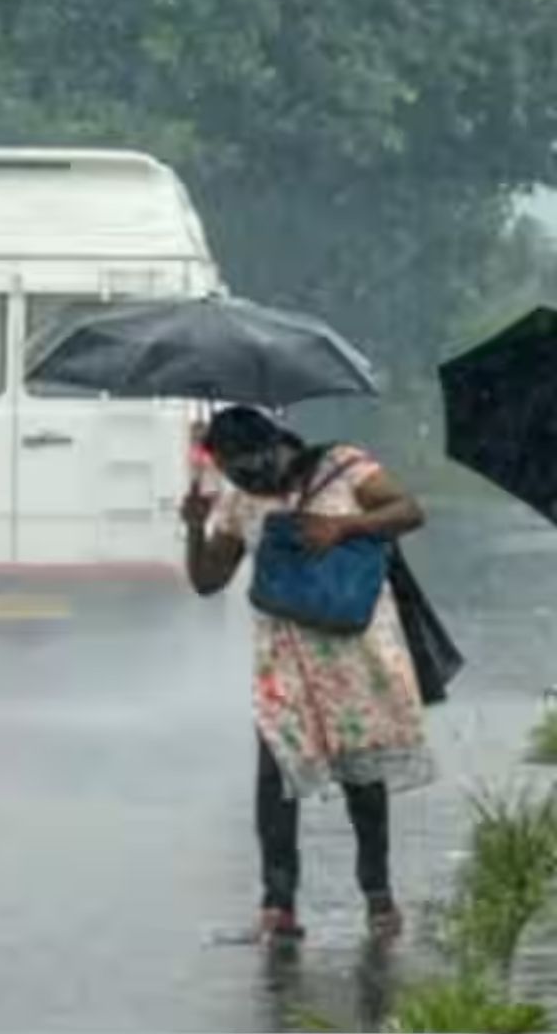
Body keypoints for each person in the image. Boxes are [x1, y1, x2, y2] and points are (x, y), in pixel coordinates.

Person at [180, 405, 433, 945]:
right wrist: (194, 529)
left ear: (277, 446)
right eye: (233, 472)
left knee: (362, 777)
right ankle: (278, 905)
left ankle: (378, 897)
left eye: (252, 466)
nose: (248, 479)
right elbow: (207, 581)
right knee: (276, 777)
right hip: (284, 660)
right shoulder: (240, 501)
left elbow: (408, 510)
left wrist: (343, 526)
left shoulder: (344, 467)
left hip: (354, 653)